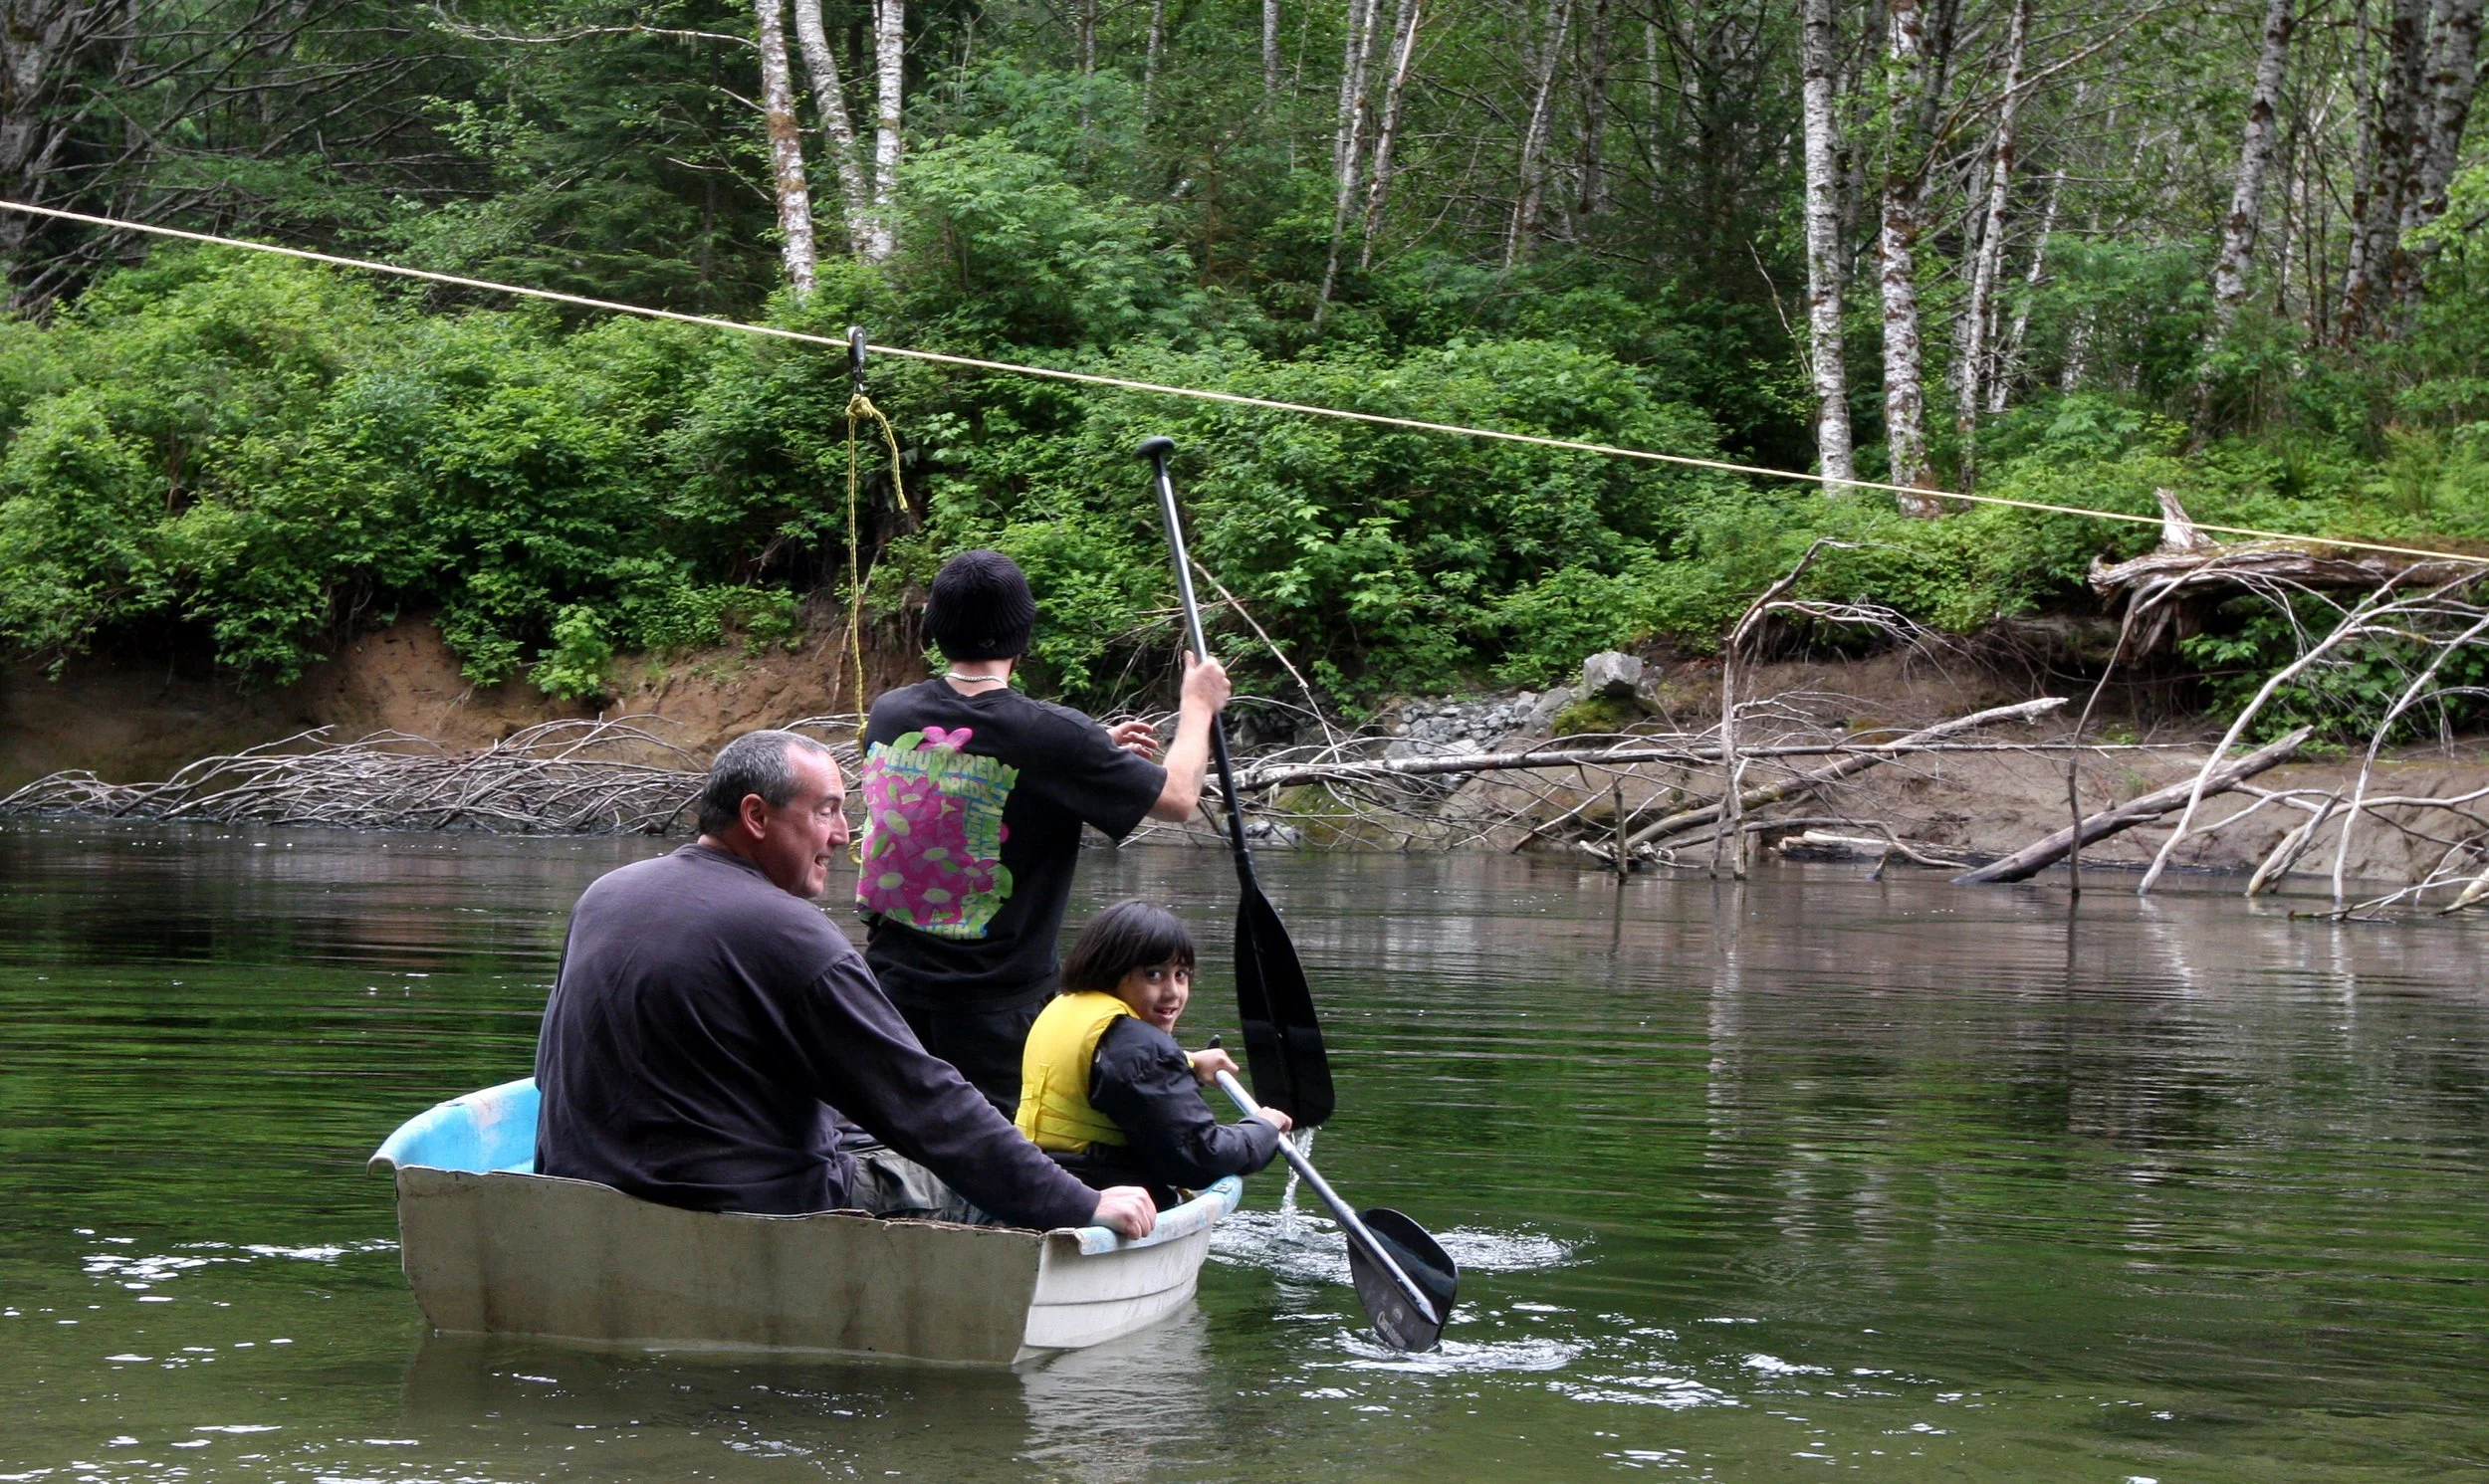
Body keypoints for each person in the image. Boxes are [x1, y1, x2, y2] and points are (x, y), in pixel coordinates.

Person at [533, 728, 1155, 1239]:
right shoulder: (788, 933)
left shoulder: (605, 895)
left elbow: (550, 1069)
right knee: (995, 1191)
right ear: (755, 815)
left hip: (586, 1192)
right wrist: (1078, 1204)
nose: (843, 835)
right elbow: (925, 1100)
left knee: (875, 1130)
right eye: (826, 810)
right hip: (745, 1206)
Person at [855, 548, 1232, 1114]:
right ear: (1023, 634)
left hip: (886, 996)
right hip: (997, 1013)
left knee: (894, 1145)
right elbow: (1179, 799)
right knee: (1000, 1170)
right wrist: (1197, 706)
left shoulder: (889, 714)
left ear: (932, 629)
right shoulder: (1054, 739)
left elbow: (971, 765)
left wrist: (1087, 753)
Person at [1017, 900, 1289, 1209]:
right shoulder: (1140, 1048)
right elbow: (1200, 1158)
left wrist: (1189, 1062)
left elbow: (1112, 1070)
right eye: (1154, 975)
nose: (1173, 992)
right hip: (1105, 1201)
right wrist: (1262, 1130)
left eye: (1182, 974)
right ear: (1109, 970)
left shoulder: (1064, 1007)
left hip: (1036, 1183)